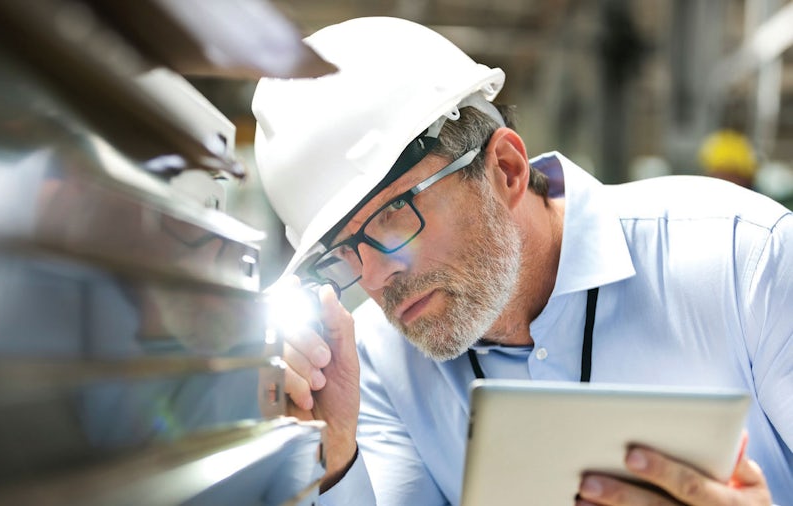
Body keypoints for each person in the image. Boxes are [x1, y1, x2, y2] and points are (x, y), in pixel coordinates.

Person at [251, 16, 792, 505]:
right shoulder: (375, 362)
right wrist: (335, 460)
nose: (372, 276)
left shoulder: (746, 259)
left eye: (393, 217)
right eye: (342, 253)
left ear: (505, 169)